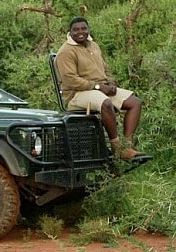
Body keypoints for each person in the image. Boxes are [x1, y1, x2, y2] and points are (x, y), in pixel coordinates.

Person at [55, 16, 144, 160]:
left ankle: (127, 147)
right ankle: (117, 147)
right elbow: (70, 80)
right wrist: (98, 87)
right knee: (106, 103)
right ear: (70, 32)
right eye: (76, 30)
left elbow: (105, 68)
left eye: (83, 28)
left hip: (100, 88)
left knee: (135, 102)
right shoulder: (66, 52)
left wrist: (111, 83)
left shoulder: (93, 45)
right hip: (77, 94)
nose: (80, 32)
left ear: (88, 29)